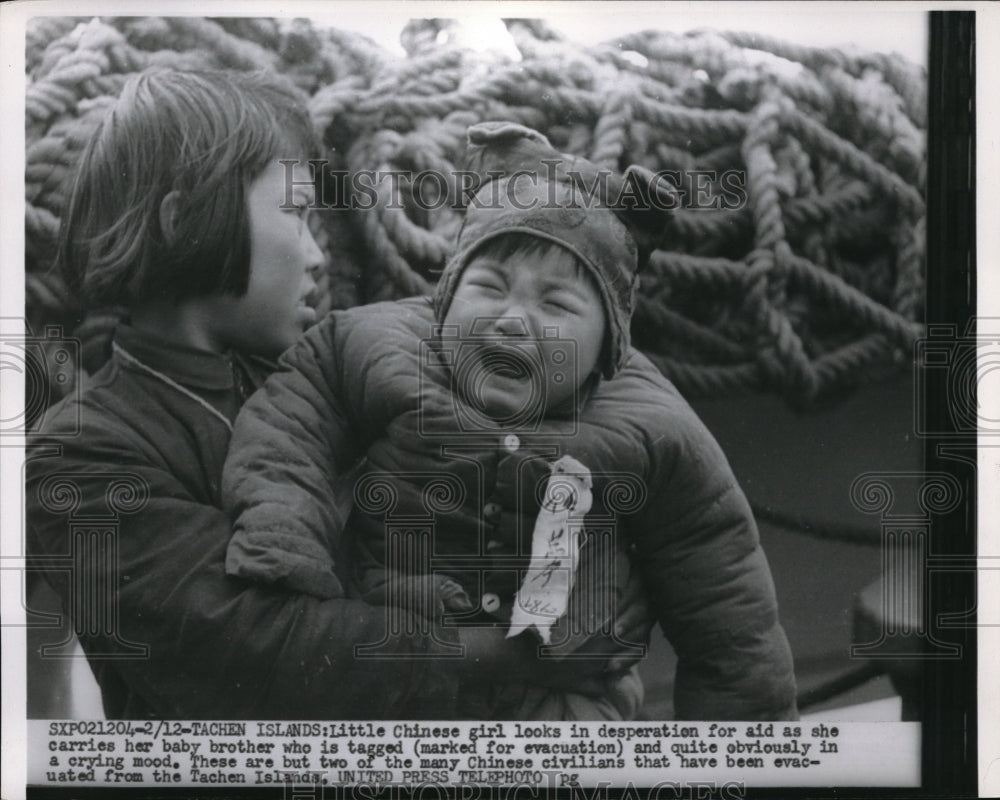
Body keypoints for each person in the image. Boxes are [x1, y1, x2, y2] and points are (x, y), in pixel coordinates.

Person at [24, 71, 637, 720]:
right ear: (184, 224)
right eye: (296, 215)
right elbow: (253, 653)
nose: (318, 255)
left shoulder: (317, 379)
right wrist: (514, 654)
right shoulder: (79, 454)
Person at [223, 122, 798, 720]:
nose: (513, 320)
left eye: (556, 304)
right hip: (391, 685)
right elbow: (288, 434)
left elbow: (728, 608)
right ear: (445, 296)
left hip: (565, 704)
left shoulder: (655, 427)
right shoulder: (368, 345)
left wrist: (749, 755)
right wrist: (282, 553)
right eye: (489, 287)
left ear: (609, 343)